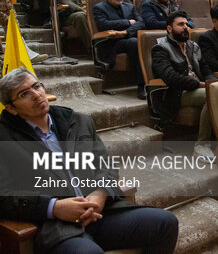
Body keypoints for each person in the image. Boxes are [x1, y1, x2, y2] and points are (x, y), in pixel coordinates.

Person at [0, 68, 179, 254]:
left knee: (165, 223)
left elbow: (105, 166)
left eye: (37, 86)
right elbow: (4, 195)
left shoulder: (78, 121)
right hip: (58, 226)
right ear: (11, 108)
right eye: (24, 94)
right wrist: (54, 207)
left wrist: (101, 193)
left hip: (101, 213)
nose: (36, 95)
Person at [152, 11, 215, 138]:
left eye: (186, 24)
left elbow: (206, 70)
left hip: (200, 87)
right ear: (169, 28)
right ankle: (202, 146)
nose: (185, 27)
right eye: (180, 24)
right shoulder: (161, 49)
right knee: (212, 96)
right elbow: (170, 77)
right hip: (178, 93)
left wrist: (212, 81)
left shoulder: (193, 46)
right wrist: (199, 84)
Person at [93, 0, 146, 99]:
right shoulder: (99, 8)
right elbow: (104, 24)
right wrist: (127, 22)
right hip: (111, 44)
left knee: (145, 41)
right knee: (134, 42)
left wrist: (127, 32)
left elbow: (141, 23)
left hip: (128, 38)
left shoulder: (129, 6)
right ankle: (141, 86)